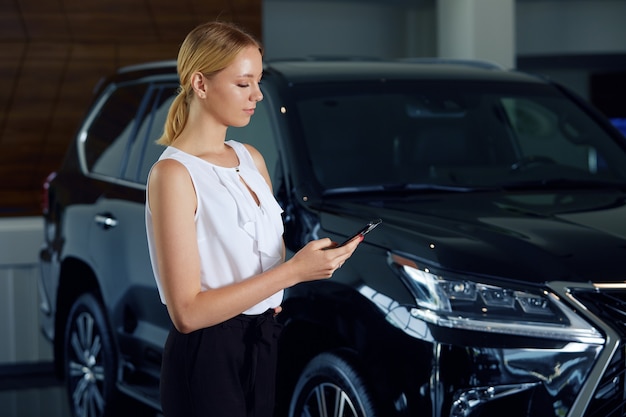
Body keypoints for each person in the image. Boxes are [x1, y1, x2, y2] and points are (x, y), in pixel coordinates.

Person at [144, 21, 361, 417]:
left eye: (258, 82)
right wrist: (293, 273)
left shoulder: (250, 158)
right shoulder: (173, 175)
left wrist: (311, 262)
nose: (257, 95)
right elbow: (187, 313)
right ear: (200, 83)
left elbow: (258, 259)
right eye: (244, 84)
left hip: (262, 339)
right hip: (206, 356)